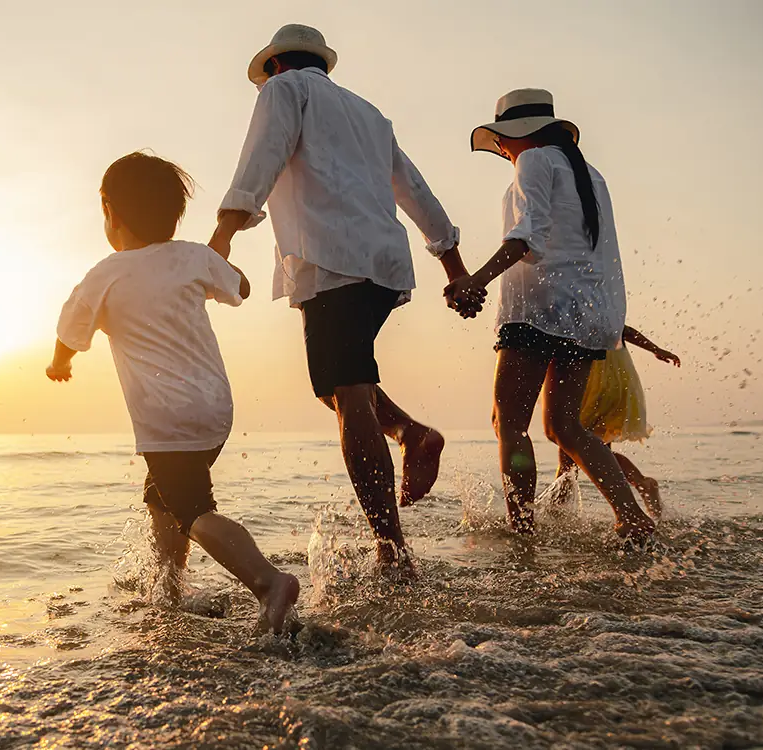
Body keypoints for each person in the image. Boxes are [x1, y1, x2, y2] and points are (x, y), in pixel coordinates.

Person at [208, 24, 474, 577]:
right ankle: (410, 434)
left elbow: (261, 160)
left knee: (346, 392)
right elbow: (415, 189)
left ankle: (393, 551)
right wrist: (453, 265)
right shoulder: (370, 115)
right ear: (321, 63)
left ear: (276, 66)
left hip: (333, 260)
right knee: (336, 382)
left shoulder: (283, 93)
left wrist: (221, 239)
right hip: (380, 265)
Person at [48, 152, 299, 633]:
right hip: (215, 410)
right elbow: (239, 288)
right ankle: (170, 587)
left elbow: (69, 333)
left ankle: (268, 582)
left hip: (168, 420)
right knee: (162, 496)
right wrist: (212, 269)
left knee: (193, 510)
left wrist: (58, 365)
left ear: (110, 213)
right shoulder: (192, 256)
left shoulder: (104, 275)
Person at [445, 88, 655, 543]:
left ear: (520, 134)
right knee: (564, 426)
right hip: (586, 316)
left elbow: (526, 239)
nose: (502, 148)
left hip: (539, 310)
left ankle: (521, 532)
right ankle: (632, 518)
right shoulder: (590, 173)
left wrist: (473, 281)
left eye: (503, 139)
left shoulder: (535, 161)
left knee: (509, 423)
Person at [552, 325, 682, 519]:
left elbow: (624, 330)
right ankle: (642, 484)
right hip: (615, 381)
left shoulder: (578, 309)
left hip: (592, 384)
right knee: (594, 448)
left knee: (571, 443)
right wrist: (656, 349)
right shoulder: (604, 309)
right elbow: (625, 331)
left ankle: (557, 507)